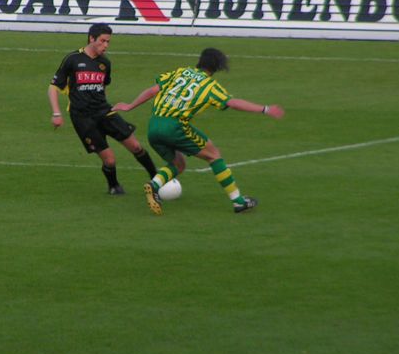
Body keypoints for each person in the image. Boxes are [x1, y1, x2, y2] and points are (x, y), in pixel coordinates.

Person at [112, 48, 284, 215]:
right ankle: (238, 202)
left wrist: (129, 106)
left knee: (179, 164)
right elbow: (232, 102)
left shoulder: (181, 72)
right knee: (214, 155)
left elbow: (154, 90)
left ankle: (154, 185)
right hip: (175, 126)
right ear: (217, 68)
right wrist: (265, 109)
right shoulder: (209, 86)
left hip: (153, 126)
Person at [48, 23, 158, 195]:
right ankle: (113, 186)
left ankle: (157, 179)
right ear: (91, 39)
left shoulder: (104, 63)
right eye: (103, 41)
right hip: (83, 117)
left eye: (108, 42)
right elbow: (53, 87)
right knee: (110, 160)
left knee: (135, 145)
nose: (106, 45)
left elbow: (103, 86)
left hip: (104, 111)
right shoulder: (73, 59)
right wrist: (56, 113)